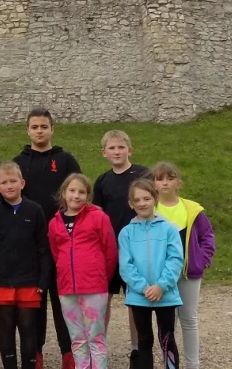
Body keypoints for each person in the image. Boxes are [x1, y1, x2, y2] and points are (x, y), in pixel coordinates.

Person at [12, 107, 80, 369]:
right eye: (34, 127)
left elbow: (77, 193)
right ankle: (35, 353)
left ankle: (69, 353)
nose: (39, 131)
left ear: (52, 129)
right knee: (35, 301)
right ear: (28, 130)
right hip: (31, 242)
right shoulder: (19, 162)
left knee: (64, 300)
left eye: (44, 126)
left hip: (62, 239)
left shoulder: (65, 160)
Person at [0, 162, 52, 369]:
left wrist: (43, 280)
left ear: (22, 183)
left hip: (29, 281)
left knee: (29, 327)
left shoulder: (35, 210)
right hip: (2, 281)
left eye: (13, 181)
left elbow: (43, 249)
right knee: (6, 327)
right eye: (4, 182)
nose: (9, 185)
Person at [91, 129, 149, 368]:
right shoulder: (102, 181)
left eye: (121, 147)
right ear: (104, 152)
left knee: (135, 298)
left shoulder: (143, 175)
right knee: (103, 298)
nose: (117, 152)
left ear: (129, 150)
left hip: (137, 247)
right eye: (112, 148)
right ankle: (98, 346)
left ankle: (137, 348)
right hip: (109, 248)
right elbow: (97, 215)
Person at [48, 174, 118, 369]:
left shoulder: (98, 217)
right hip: (67, 288)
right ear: (64, 193)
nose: (76, 195)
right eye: (72, 191)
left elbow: (110, 251)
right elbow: (56, 253)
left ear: (88, 196)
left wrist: (101, 276)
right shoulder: (54, 223)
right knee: (77, 338)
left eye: (81, 192)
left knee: (95, 336)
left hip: (94, 286)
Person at [152, 162, 216, 369]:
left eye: (169, 178)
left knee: (189, 319)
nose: (164, 183)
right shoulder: (150, 209)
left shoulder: (193, 210)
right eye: (160, 179)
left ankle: (192, 365)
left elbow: (207, 237)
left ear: (179, 183)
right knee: (167, 325)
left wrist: (202, 260)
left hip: (188, 274)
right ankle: (170, 364)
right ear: (153, 184)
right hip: (161, 277)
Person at [118, 179, 183, 369]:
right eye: (137, 200)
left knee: (167, 340)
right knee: (144, 340)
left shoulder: (169, 228)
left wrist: (161, 286)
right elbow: (125, 265)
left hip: (166, 295)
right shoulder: (126, 233)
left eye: (146, 198)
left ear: (155, 199)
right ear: (131, 204)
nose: (142, 203)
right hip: (140, 297)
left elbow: (175, 260)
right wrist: (144, 288)